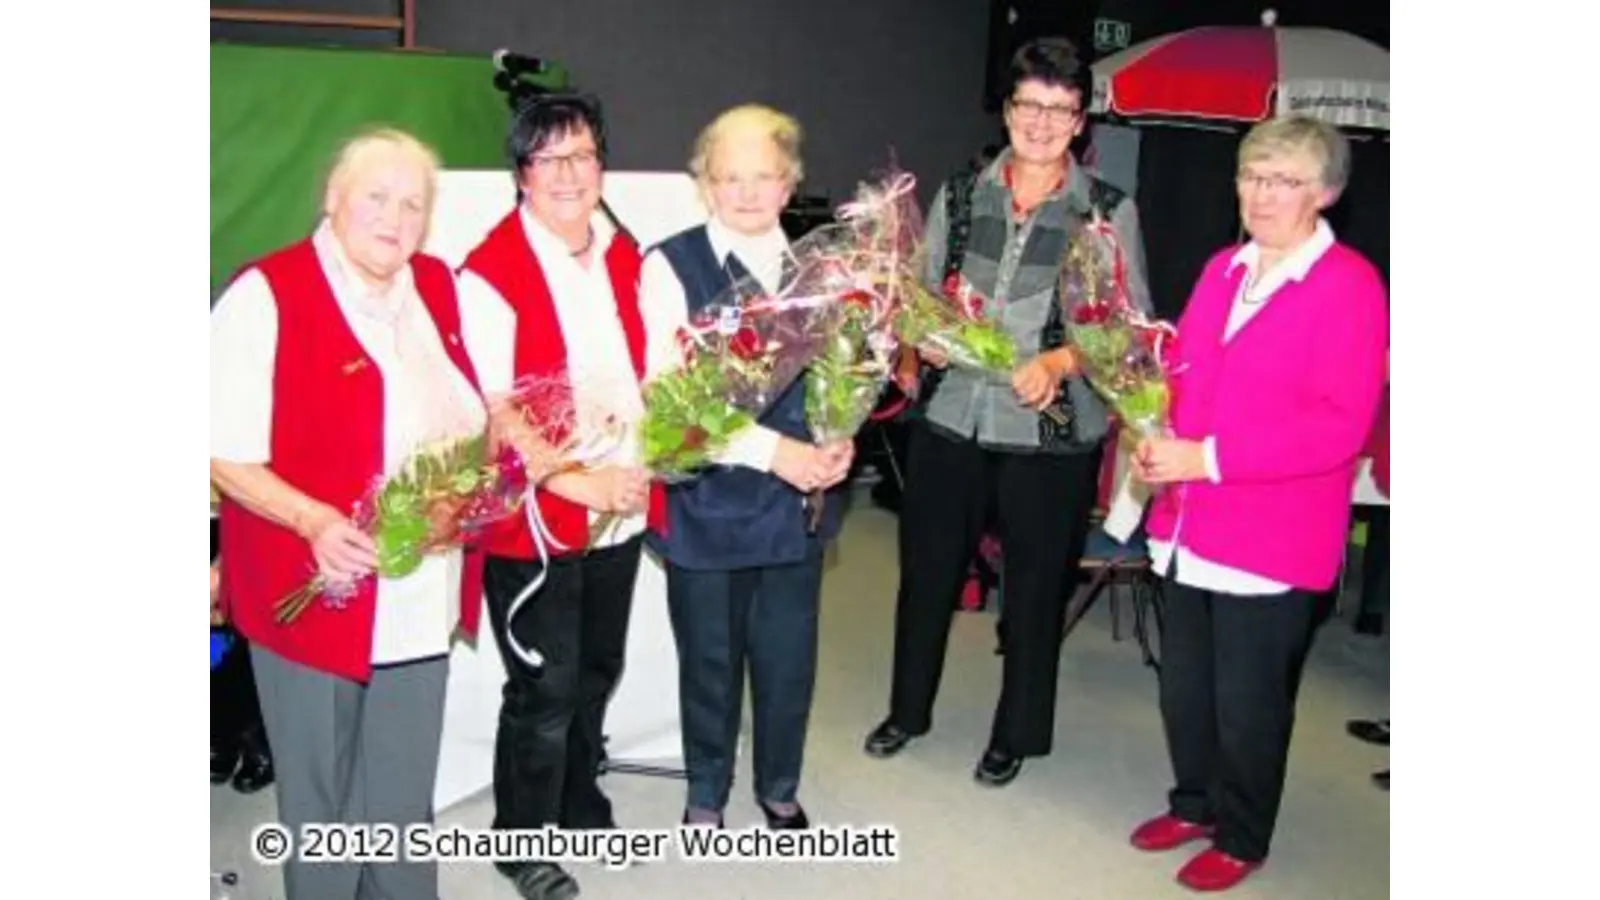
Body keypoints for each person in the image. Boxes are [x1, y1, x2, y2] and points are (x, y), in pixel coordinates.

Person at [863, 36, 1151, 786]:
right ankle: (907, 711)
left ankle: (1015, 732)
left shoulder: (1108, 213)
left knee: (1032, 592)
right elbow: (917, 298)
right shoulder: (960, 195)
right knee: (926, 576)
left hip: (1051, 435)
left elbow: (1127, 328)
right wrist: (916, 340)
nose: (1042, 122)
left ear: (1081, 121)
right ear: (1008, 108)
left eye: (1060, 110)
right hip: (953, 417)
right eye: (1030, 104)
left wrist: (1059, 361)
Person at [210, 127, 489, 900]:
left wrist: (457, 499)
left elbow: (471, 424)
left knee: (400, 802)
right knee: (322, 808)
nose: (395, 217)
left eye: (413, 203)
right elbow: (222, 453)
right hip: (312, 593)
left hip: (417, 591)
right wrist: (312, 521)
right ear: (332, 199)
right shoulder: (266, 293)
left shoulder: (435, 285)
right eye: (377, 196)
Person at [1126, 115, 1389, 892]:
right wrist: (1151, 416)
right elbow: (1186, 372)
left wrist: (1203, 456)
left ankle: (1242, 834)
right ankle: (1195, 801)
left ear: (1327, 194)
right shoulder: (1223, 268)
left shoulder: (1351, 287)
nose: (1262, 194)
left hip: (1271, 537)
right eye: (1252, 176)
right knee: (1188, 688)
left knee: (1250, 702)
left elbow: (1338, 428)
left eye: (1285, 181)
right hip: (1191, 522)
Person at [456, 93, 660, 900]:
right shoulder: (491, 272)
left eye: (583, 156)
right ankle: (522, 836)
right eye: (550, 159)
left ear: (602, 165)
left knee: (597, 668)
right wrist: (575, 480)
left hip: (623, 508)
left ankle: (580, 797)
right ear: (521, 175)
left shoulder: (623, 251)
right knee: (544, 683)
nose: (570, 175)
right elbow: (493, 411)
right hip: (536, 519)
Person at [637, 104, 853, 829]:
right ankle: (706, 789)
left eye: (764, 176)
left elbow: (840, 377)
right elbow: (667, 404)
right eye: (730, 177)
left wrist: (838, 436)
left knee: (788, 654)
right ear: (705, 183)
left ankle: (779, 783)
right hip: (709, 500)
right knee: (710, 658)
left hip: (799, 504)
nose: (748, 192)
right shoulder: (669, 266)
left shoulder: (821, 270)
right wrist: (774, 452)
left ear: (790, 184)